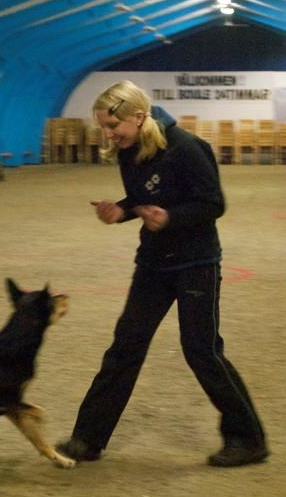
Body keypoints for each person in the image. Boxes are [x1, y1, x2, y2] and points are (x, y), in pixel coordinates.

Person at [57, 80, 268, 468]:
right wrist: (121, 211)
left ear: (138, 117)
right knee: (125, 347)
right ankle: (87, 439)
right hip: (153, 263)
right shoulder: (127, 150)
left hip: (196, 264)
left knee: (201, 351)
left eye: (112, 126)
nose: (107, 134)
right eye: (103, 126)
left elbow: (212, 204)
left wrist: (170, 217)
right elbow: (143, 200)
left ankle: (248, 439)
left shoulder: (188, 149)